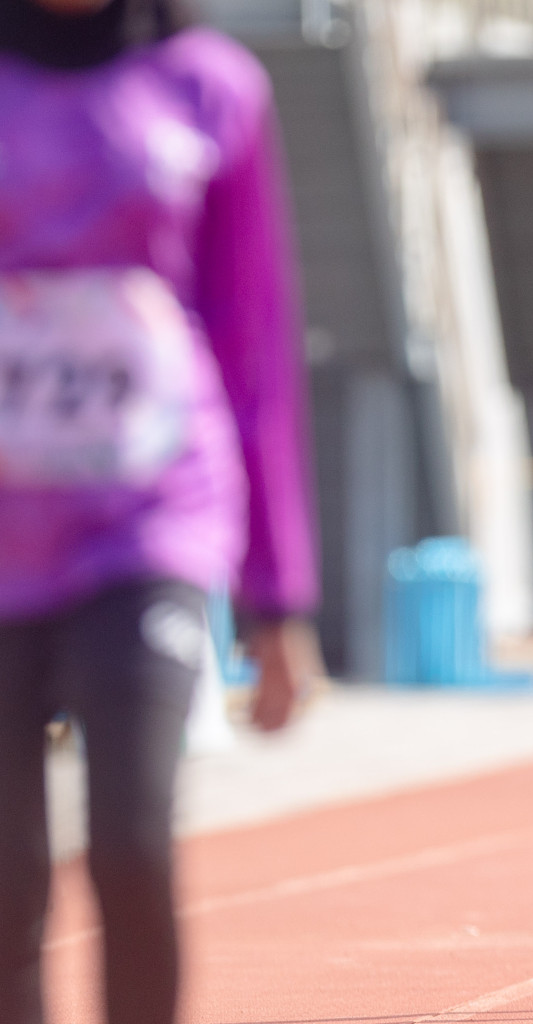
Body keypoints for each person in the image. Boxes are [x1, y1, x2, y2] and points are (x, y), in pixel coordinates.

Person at [0, 1, 323, 1022]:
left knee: (131, 845)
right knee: (5, 884)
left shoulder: (210, 86)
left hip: (148, 519)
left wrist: (278, 594)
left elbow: (254, 337)